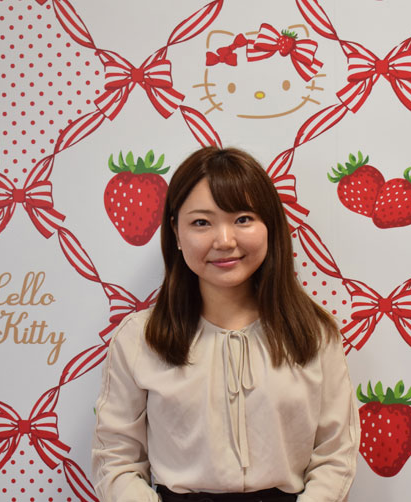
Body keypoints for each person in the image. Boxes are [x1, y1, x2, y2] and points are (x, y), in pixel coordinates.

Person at [92, 146, 359, 502]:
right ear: (176, 232)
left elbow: (335, 455)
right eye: (202, 222)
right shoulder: (139, 338)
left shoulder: (314, 334)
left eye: (243, 219)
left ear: (270, 225)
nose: (225, 241)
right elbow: (115, 459)